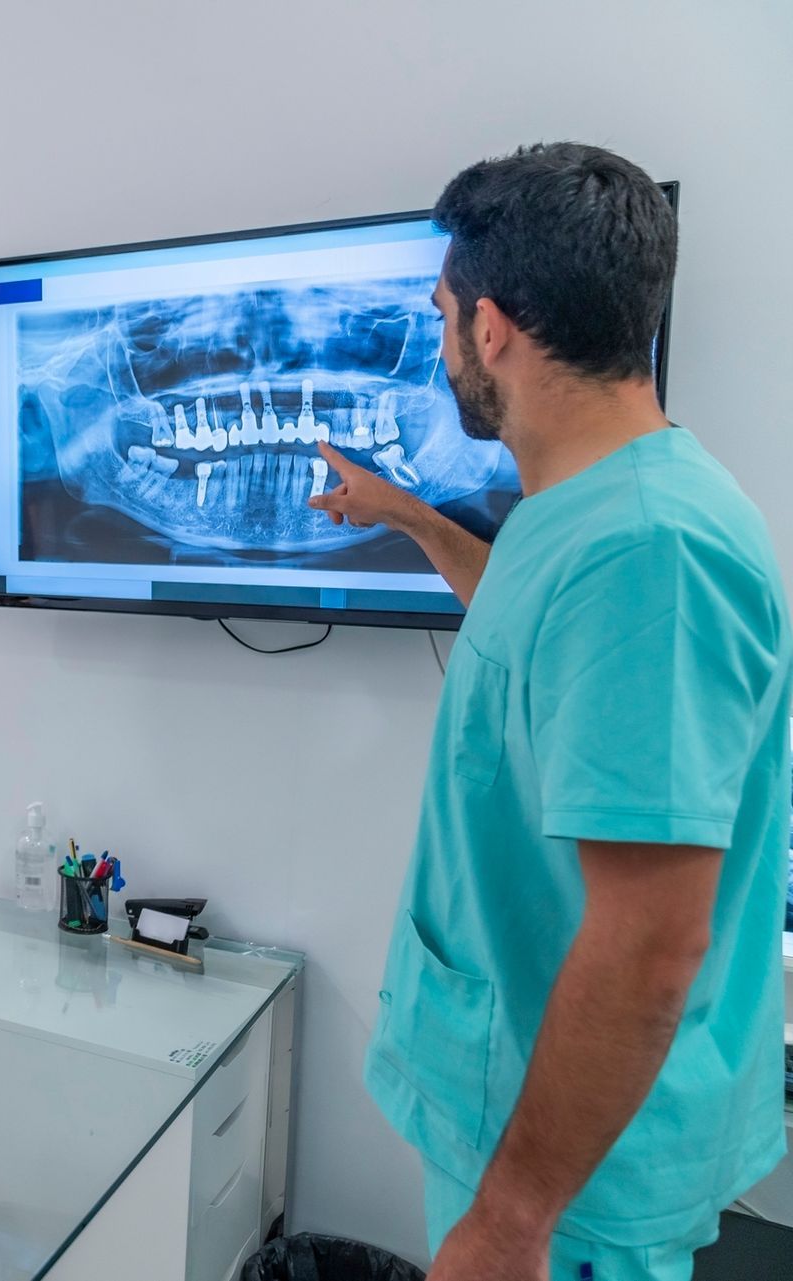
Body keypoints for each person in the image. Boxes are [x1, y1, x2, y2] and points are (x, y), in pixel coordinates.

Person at [309, 142, 790, 1280]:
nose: (439, 347)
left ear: (491, 329)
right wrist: (416, 522)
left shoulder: (651, 554)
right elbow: (532, 644)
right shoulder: (578, 510)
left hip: (570, 1193)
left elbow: (650, 941)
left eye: (439, 315)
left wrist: (514, 1218)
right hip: (513, 1097)